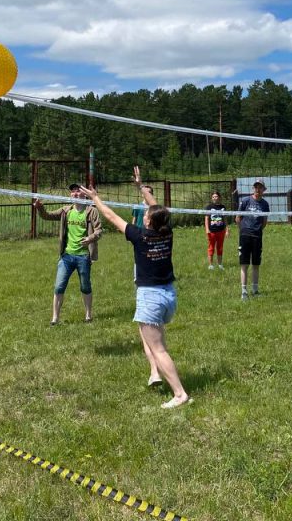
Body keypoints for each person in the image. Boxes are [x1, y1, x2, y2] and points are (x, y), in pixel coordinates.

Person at [81, 168, 190, 409]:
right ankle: (155, 374)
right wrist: (141, 186)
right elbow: (159, 208)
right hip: (169, 295)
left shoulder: (140, 235)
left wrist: (95, 198)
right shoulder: (167, 233)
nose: (147, 213)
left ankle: (180, 393)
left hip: (151, 296)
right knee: (148, 338)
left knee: (158, 348)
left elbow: (109, 216)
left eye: (149, 214)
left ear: (149, 220)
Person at [34, 183, 102, 325]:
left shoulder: (91, 211)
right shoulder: (66, 210)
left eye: (78, 192)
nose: (75, 194)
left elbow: (99, 231)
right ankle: (55, 318)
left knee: (85, 286)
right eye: (73, 192)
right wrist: (40, 207)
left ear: (85, 194)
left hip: (84, 256)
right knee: (59, 286)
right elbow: (47, 216)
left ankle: (88, 315)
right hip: (67, 256)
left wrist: (90, 238)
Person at [236, 180, 270, 300]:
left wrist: (257, 230)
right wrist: (244, 230)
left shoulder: (265, 204)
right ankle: (244, 291)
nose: (258, 189)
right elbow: (238, 218)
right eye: (256, 187)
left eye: (260, 187)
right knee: (244, 264)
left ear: (263, 190)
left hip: (257, 236)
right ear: (253, 188)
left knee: (256, 264)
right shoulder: (245, 201)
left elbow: (264, 221)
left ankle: (255, 290)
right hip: (245, 236)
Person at [204, 190, 227, 270]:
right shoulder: (209, 207)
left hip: (221, 231)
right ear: (211, 198)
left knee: (220, 248)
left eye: (216, 196)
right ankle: (210, 265)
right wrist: (207, 229)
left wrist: (226, 229)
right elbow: (206, 219)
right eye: (213, 197)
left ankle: (220, 264)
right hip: (212, 231)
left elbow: (225, 219)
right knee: (211, 247)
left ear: (219, 197)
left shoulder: (223, 207)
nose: (215, 198)